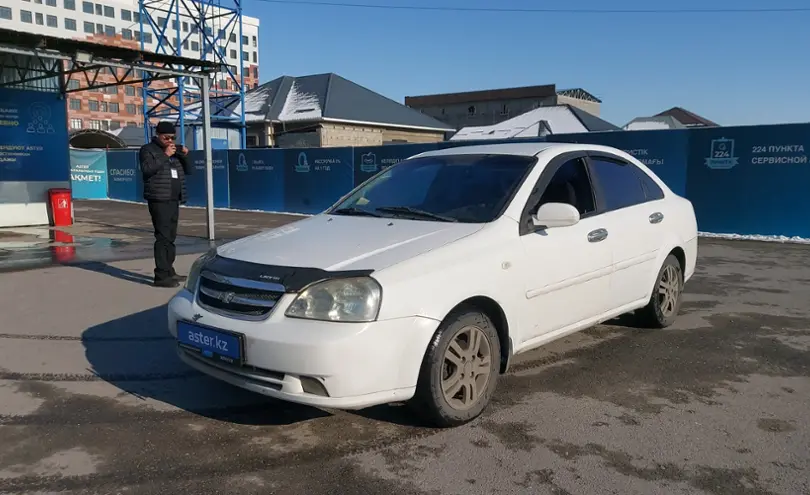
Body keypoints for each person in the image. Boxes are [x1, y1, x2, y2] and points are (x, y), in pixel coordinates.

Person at [138, 121, 192, 288]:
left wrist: (184, 155)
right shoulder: (148, 149)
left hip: (174, 198)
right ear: (158, 135)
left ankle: (169, 270)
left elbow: (190, 170)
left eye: (172, 138)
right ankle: (161, 275)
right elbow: (147, 169)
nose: (170, 141)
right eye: (166, 137)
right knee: (162, 237)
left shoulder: (174, 151)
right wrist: (165, 155)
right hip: (159, 198)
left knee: (171, 237)